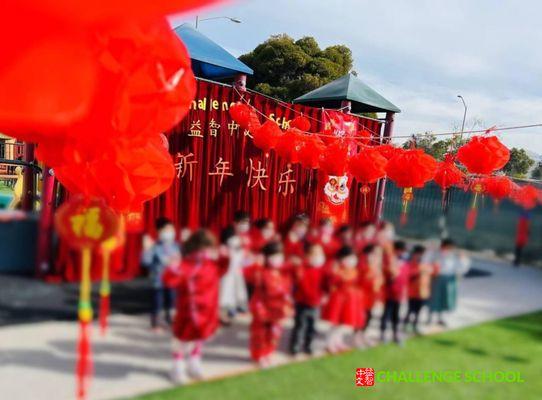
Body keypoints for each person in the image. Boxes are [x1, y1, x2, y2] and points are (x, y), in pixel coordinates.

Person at [162, 229, 224, 384]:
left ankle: (194, 363)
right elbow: (169, 280)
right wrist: (172, 268)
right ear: (196, 247)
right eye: (205, 248)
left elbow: (225, 267)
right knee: (181, 340)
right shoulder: (185, 264)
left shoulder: (212, 264)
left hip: (207, 311)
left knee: (199, 339)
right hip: (188, 312)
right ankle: (177, 368)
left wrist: (225, 254)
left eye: (209, 248)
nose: (207, 252)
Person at [245, 242, 292, 367]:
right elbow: (250, 276)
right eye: (273, 256)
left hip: (278, 309)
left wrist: (287, 306)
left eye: (279, 256)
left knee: (274, 333)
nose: (277, 259)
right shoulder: (260, 272)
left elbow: (286, 290)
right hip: (263, 308)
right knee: (260, 334)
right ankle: (259, 355)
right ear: (266, 257)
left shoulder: (283, 272)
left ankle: (268, 353)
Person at [322, 245, 366, 353]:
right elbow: (332, 283)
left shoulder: (353, 270)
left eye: (353, 257)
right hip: (340, 299)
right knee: (339, 323)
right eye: (349, 258)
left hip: (350, 300)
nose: (352, 260)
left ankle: (337, 341)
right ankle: (329, 342)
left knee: (345, 323)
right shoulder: (337, 269)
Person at [141, 217, 180, 331]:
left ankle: (171, 319)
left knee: (172, 300)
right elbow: (146, 262)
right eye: (167, 230)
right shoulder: (155, 247)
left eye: (171, 230)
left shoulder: (176, 246)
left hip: (173, 280)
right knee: (157, 301)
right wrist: (146, 249)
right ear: (159, 231)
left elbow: (181, 261)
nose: (170, 233)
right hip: (158, 280)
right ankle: (156, 323)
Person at [289, 242, 327, 356]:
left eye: (320, 253)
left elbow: (326, 285)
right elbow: (299, 284)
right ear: (308, 256)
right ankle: (295, 346)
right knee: (300, 325)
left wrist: (324, 295)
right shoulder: (301, 268)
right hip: (302, 302)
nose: (317, 256)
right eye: (314, 254)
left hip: (316, 303)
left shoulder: (322, 270)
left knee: (312, 326)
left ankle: (308, 345)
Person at [427, 239, 470, 326]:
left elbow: (460, 269)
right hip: (437, 278)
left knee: (444, 299)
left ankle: (440, 318)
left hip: (448, 279)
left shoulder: (454, 256)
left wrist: (463, 259)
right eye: (449, 247)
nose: (450, 249)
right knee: (434, 298)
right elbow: (427, 262)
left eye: (451, 248)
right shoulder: (435, 254)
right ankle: (429, 318)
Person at [380, 240, 408, 345]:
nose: (402, 253)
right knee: (386, 313)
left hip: (399, 293)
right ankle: (383, 333)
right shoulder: (389, 260)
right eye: (401, 251)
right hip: (390, 291)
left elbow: (405, 278)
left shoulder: (404, 262)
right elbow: (386, 274)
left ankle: (395, 334)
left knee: (396, 314)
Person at [218, 226, 248, 323]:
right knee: (224, 295)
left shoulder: (239, 249)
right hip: (225, 276)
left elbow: (243, 262)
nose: (236, 238)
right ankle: (222, 315)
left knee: (233, 295)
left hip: (236, 275)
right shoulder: (223, 249)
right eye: (234, 236)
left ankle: (229, 313)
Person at [355, 244, 383, 347]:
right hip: (363, 295)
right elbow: (360, 280)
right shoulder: (362, 264)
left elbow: (379, 283)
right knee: (360, 318)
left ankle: (363, 335)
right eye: (374, 253)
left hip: (372, 297)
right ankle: (357, 337)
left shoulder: (377, 266)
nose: (377, 256)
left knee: (369, 317)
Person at [403, 245, 432, 335]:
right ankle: (406, 324)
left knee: (419, 310)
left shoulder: (425, 264)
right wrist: (418, 271)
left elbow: (431, 274)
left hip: (422, 292)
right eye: (420, 254)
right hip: (413, 291)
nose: (421, 257)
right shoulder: (411, 264)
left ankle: (415, 325)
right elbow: (408, 275)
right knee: (411, 309)